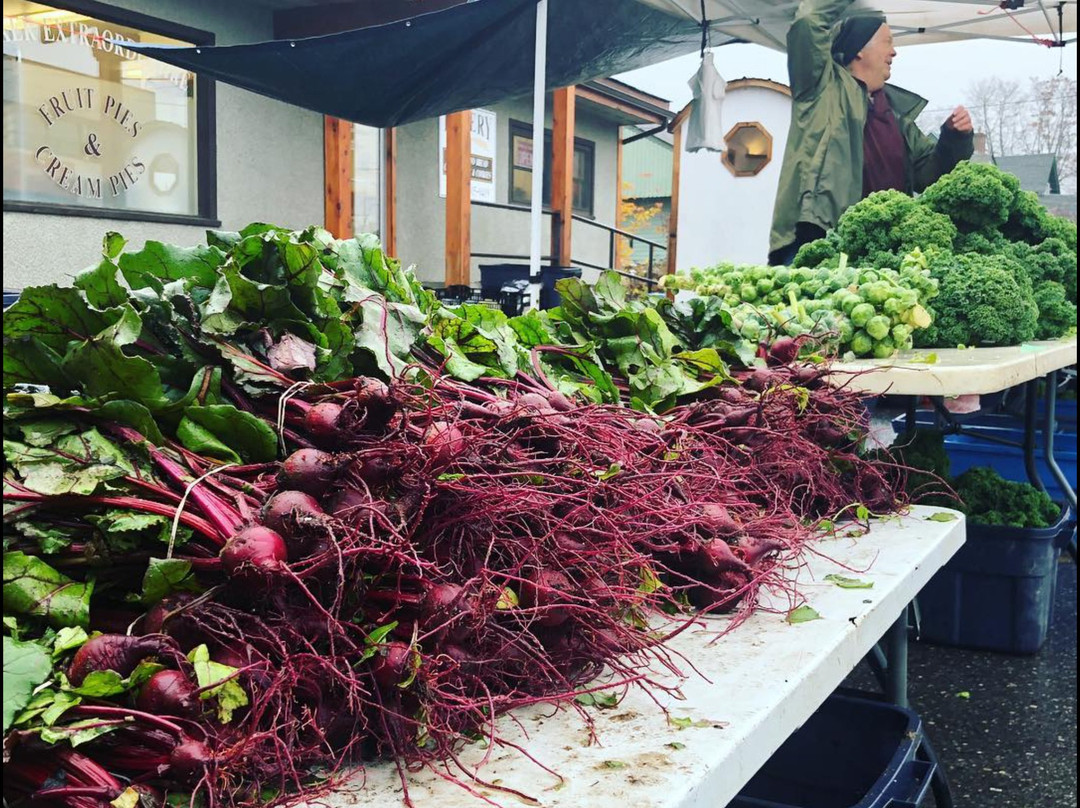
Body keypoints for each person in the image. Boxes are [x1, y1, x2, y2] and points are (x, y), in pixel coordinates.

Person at [768, 0, 975, 265]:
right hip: (819, 238)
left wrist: (954, 138)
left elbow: (929, 176)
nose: (894, 52)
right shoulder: (821, 86)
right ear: (859, 51)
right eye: (888, 41)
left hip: (882, 250)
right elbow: (808, 22)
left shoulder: (897, 115)